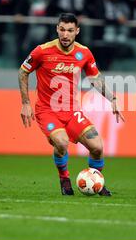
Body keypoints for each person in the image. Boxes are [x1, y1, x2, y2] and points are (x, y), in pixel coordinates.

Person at [18, 13, 125, 196]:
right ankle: (64, 179)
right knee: (61, 142)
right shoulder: (42, 51)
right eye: (62, 30)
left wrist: (113, 99)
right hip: (47, 111)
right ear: (57, 29)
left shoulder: (83, 53)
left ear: (77, 31)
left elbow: (95, 79)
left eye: (69, 30)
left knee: (97, 147)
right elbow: (23, 71)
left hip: (72, 111)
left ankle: (96, 181)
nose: (65, 35)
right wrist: (26, 103)